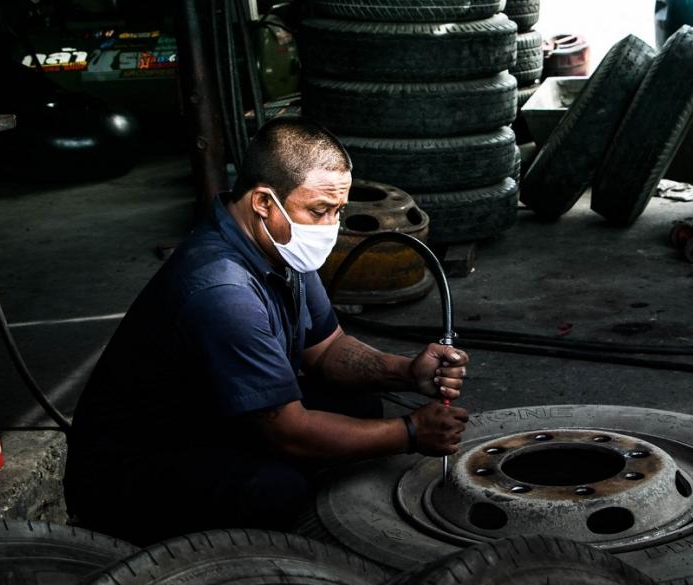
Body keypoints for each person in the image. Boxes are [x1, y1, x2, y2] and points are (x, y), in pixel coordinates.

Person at [63, 117, 469, 545]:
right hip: (133, 472)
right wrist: (410, 432)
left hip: (207, 418)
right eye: (318, 210)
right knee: (277, 490)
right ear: (263, 202)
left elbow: (327, 349)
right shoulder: (222, 291)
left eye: (337, 210)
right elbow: (289, 432)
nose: (330, 226)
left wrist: (408, 371)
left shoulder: (280, 245)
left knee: (360, 403)